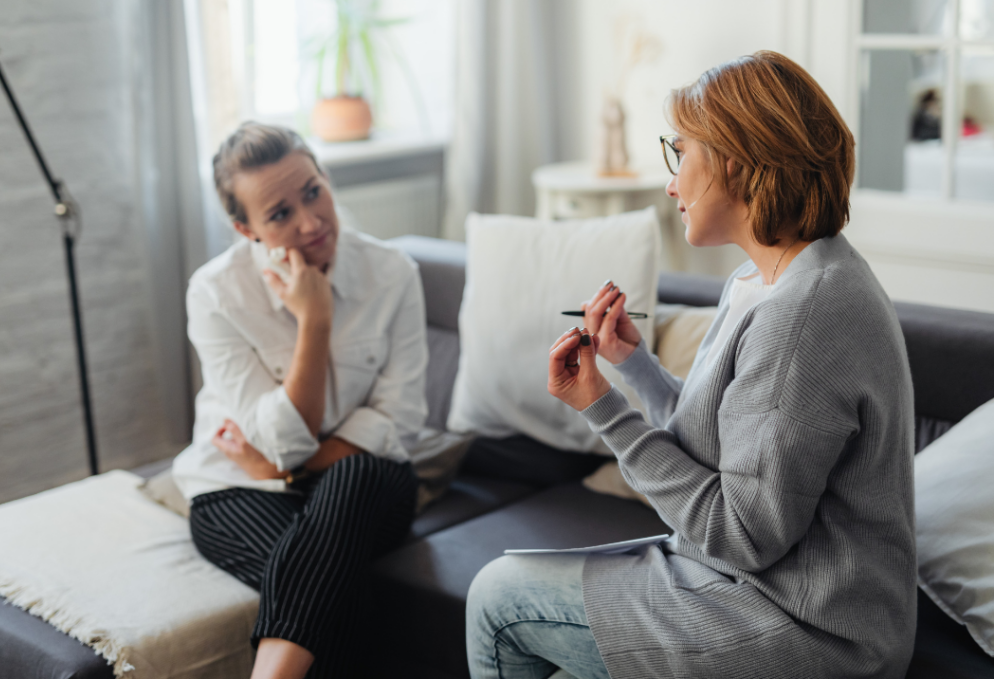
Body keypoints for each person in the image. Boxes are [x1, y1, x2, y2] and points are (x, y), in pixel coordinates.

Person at [466, 51, 916, 679]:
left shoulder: (804, 315)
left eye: (681, 153)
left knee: (499, 598)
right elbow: (731, 449)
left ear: (736, 158)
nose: (672, 182)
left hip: (814, 630)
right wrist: (635, 366)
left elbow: (742, 535)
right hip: (762, 591)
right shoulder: (770, 277)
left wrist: (603, 409)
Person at [171, 122, 428, 679]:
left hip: (369, 484)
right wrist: (314, 321)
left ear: (325, 176)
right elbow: (283, 444)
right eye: (280, 214)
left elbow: (402, 419)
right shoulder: (215, 293)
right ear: (246, 229)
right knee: (335, 594)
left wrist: (283, 466)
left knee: (354, 476)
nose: (311, 223)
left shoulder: (392, 274)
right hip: (238, 486)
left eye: (313, 191)